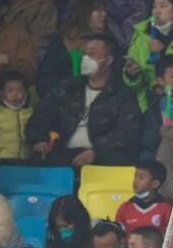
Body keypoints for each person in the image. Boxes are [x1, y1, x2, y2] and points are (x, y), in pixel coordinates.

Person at [26, 34, 142, 167]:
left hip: (101, 155)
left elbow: (128, 132)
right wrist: (39, 138)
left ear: (108, 60)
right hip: (63, 151)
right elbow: (42, 112)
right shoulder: (67, 87)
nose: (85, 58)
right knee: (38, 160)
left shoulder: (122, 93)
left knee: (119, 159)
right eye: (84, 53)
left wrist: (96, 151)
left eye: (92, 54)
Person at [0, 72, 33, 160]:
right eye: (10, 91)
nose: (15, 94)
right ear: (2, 93)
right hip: (1, 163)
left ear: (25, 93)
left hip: (26, 163)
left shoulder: (31, 114)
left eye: (19, 91)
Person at [115, 163, 173, 235]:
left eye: (141, 178)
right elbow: (119, 235)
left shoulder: (166, 208)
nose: (135, 181)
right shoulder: (125, 207)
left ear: (155, 184)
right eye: (135, 177)